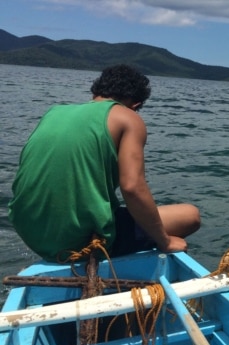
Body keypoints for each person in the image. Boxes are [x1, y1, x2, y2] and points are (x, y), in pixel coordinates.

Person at [8, 64, 200, 262]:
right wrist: (165, 241)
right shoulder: (129, 118)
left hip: (28, 231)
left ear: (96, 92)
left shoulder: (53, 113)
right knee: (190, 216)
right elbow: (132, 187)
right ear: (136, 105)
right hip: (75, 239)